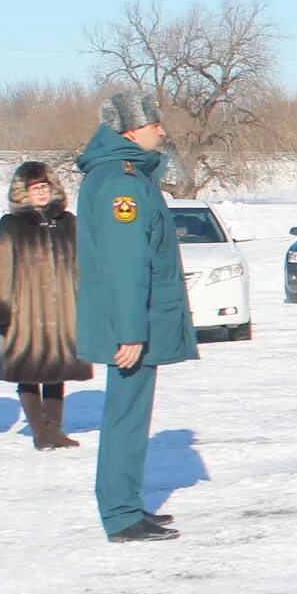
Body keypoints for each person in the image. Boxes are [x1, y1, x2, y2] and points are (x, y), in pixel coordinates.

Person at [75, 91, 198, 542]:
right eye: (153, 124)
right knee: (126, 416)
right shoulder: (121, 184)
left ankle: (126, 504)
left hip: (136, 320)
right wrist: (130, 332)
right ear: (128, 130)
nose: (161, 131)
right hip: (132, 324)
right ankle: (121, 514)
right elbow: (126, 263)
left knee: (129, 414)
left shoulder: (124, 176)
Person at [0, 161, 93, 450]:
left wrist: (90, 303)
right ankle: (40, 431)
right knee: (28, 369)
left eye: (45, 187)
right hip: (26, 313)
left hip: (64, 312)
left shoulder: (69, 223)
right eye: (35, 188)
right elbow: (1, 270)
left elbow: (83, 265)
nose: (41, 193)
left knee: (58, 369)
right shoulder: (12, 226)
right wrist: (0, 310)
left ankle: (54, 429)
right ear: (24, 192)